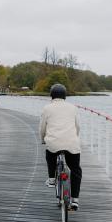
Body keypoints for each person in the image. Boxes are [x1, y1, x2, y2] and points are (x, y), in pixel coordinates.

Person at [39, 83, 82, 211]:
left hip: (54, 143)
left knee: (50, 153)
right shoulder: (73, 108)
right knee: (75, 170)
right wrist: (75, 137)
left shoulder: (47, 108)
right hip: (71, 143)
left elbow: (42, 127)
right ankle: (75, 200)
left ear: (51, 95)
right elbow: (77, 126)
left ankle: (52, 179)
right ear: (65, 96)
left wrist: (42, 140)